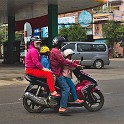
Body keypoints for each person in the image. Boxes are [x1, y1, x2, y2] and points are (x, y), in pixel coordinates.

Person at [49, 36, 81, 114]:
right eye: (62, 43)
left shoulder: (55, 51)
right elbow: (63, 61)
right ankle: (62, 107)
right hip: (57, 73)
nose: (62, 45)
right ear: (59, 43)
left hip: (56, 72)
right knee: (66, 89)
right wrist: (75, 65)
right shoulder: (56, 51)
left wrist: (74, 63)